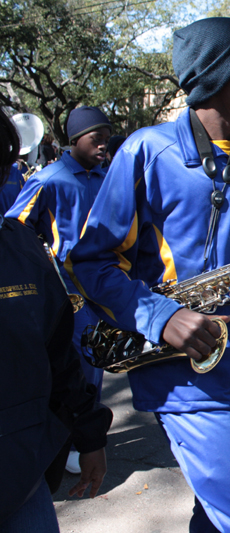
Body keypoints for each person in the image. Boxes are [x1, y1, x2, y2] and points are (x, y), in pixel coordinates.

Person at [67, 18, 230, 532]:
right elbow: (92, 261)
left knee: (214, 519)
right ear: (215, 72)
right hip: (185, 380)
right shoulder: (147, 150)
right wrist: (162, 316)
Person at [0, 108, 112, 533]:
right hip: (65, 289)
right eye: (94, 135)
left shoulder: (105, 180)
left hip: (92, 296)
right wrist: (47, 264)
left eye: (108, 135)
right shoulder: (48, 180)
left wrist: (90, 432)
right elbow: (20, 222)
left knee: (89, 368)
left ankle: (68, 440)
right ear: (74, 139)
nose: (103, 143)